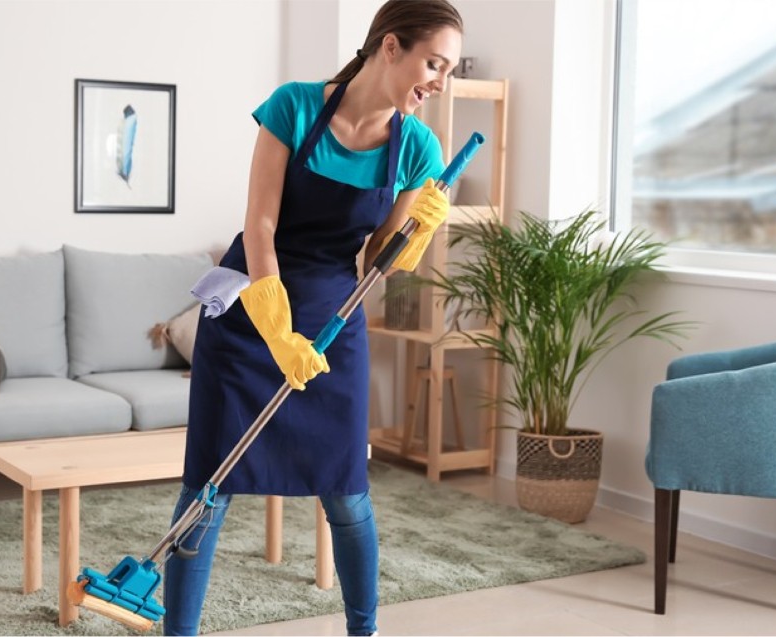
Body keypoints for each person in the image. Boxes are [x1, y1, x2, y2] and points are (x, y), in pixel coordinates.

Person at [165, 1, 464, 635]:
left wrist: (416, 233)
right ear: (390, 46)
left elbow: (382, 258)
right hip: (253, 311)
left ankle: (365, 629)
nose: (439, 81)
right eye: (433, 62)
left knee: (346, 489)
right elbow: (261, 225)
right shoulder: (295, 108)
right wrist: (275, 327)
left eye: (449, 70)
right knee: (207, 487)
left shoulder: (417, 146)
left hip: (334, 322)